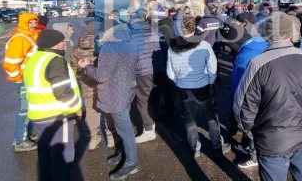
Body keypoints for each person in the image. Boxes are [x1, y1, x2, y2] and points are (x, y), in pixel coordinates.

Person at [234, 11, 302, 180]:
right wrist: (298, 112)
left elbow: (243, 108)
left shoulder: (258, 63)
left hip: (271, 141)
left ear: (267, 33)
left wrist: (250, 130)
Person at [77, 22, 141, 180]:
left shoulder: (109, 47)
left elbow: (101, 76)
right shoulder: (131, 42)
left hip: (114, 95)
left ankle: (132, 163)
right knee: (122, 128)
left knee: (124, 131)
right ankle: (123, 153)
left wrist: (87, 67)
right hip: (127, 90)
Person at [23, 29, 83, 181]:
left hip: (39, 115)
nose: (65, 43)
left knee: (45, 155)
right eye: (62, 41)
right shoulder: (54, 61)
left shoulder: (34, 59)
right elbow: (63, 92)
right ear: (54, 44)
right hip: (56, 116)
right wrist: (77, 108)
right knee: (61, 158)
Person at [166, 15, 223, 158]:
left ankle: (194, 147)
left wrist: (179, 82)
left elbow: (170, 73)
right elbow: (213, 67)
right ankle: (216, 145)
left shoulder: (171, 48)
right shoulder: (204, 45)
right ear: (194, 28)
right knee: (211, 117)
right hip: (203, 86)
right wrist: (210, 81)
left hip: (184, 88)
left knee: (189, 119)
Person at [228, 12, 267, 169]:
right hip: (260, 91)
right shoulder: (267, 45)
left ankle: (254, 155)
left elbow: (239, 75)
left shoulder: (248, 48)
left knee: (250, 125)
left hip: (248, 92)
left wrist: (236, 96)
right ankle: (249, 147)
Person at [3, 12, 40, 152]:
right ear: (23, 23)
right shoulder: (20, 39)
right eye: (30, 22)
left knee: (30, 108)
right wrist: (18, 79)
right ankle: (20, 141)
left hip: (31, 78)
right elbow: (11, 63)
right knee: (25, 110)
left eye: (35, 22)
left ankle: (26, 135)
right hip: (25, 80)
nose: (34, 24)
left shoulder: (31, 35)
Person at [69, 21, 106, 149]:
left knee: (91, 111)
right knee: (108, 111)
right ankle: (112, 137)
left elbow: (73, 67)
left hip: (86, 84)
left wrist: (80, 77)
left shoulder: (77, 47)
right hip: (104, 83)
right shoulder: (102, 45)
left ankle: (92, 138)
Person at [133, 12, 163, 143]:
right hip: (159, 68)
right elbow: (164, 47)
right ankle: (153, 118)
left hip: (143, 71)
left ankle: (149, 130)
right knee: (155, 95)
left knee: (142, 101)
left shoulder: (131, 34)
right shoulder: (154, 30)